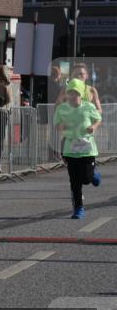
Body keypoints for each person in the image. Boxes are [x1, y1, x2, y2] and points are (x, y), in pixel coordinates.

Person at [54, 79, 103, 219]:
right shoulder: (62, 108)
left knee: (86, 179)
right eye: (70, 92)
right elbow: (57, 124)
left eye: (76, 93)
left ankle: (94, 175)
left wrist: (93, 127)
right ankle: (78, 209)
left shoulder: (88, 107)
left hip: (87, 149)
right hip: (70, 149)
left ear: (81, 94)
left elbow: (98, 119)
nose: (73, 95)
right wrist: (61, 127)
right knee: (75, 182)